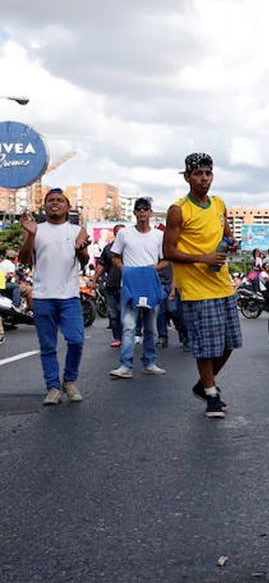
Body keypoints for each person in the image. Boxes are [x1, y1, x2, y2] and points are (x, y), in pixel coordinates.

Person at [163, 153, 244, 418]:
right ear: (187, 177)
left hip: (222, 285)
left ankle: (203, 384)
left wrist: (231, 245)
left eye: (208, 173)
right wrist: (203, 258)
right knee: (206, 347)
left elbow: (228, 236)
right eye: (198, 174)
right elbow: (169, 251)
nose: (204, 178)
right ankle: (211, 394)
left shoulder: (219, 204)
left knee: (230, 343)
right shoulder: (178, 210)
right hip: (197, 290)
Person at [20, 188, 89, 404]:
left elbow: (85, 260)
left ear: (68, 207)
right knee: (48, 346)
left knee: (76, 340)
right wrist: (30, 235)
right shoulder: (36, 229)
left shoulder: (77, 230)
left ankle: (69, 381)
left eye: (60, 200)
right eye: (50, 200)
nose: (55, 203)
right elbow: (23, 259)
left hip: (69, 297)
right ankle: (52, 387)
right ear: (45, 206)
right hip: (42, 296)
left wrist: (80, 248)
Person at [108, 197, 168, 378]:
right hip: (129, 286)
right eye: (139, 209)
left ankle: (150, 362)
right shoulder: (124, 234)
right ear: (134, 212)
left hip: (150, 285)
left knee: (151, 327)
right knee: (128, 326)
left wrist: (153, 270)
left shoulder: (158, 235)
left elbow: (166, 259)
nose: (142, 212)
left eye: (145, 209)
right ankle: (125, 366)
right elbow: (114, 255)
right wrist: (124, 270)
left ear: (150, 212)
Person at [94, 223, 125, 347]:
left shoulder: (130, 248)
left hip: (126, 285)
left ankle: (129, 335)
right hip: (111, 285)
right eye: (118, 233)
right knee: (113, 313)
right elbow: (101, 265)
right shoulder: (108, 249)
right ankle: (117, 337)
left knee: (125, 312)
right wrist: (94, 280)